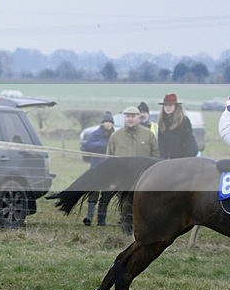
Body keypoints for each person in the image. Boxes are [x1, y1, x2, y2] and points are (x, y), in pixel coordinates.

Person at [107, 106, 159, 234]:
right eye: (127, 116)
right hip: (123, 179)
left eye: (133, 116)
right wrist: (112, 180)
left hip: (144, 178)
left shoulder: (148, 135)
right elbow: (109, 160)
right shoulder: (115, 136)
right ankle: (126, 234)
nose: (130, 119)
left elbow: (156, 156)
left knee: (145, 207)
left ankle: (145, 233)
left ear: (139, 117)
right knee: (125, 207)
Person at [79, 111, 115, 226]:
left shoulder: (115, 135)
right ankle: (89, 217)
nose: (108, 124)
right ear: (102, 123)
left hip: (109, 169)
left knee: (106, 194)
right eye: (106, 122)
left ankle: (101, 220)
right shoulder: (95, 134)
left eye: (110, 122)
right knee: (93, 192)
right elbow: (87, 146)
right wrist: (101, 144)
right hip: (96, 168)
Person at [157, 93, 198, 159]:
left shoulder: (184, 120)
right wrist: (163, 158)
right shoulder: (162, 122)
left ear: (175, 106)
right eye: (165, 105)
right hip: (170, 156)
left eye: (170, 105)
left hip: (184, 156)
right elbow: (161, 143)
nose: (167, 108)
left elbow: (188, 139)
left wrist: (186, 157)